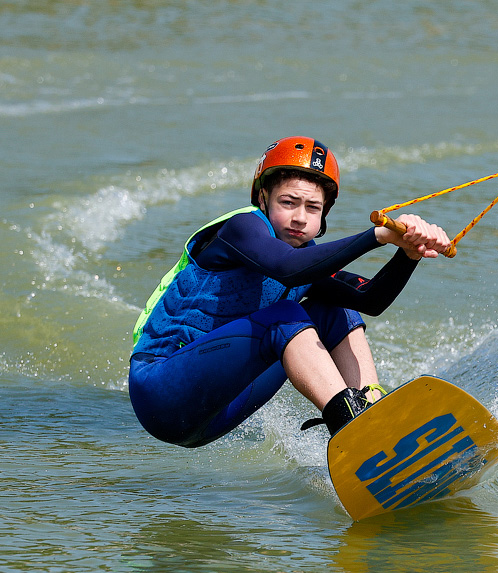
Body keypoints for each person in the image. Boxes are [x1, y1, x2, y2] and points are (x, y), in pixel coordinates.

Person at [128, 136, 450, 447]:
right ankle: (349, 422)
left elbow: (371, 299)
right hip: (161, 392)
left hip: (218, 408)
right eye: (288, 202)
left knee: (333, 308)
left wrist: (409, 254)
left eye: (313, 207)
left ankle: (373, 416)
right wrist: (376, 236)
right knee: (287, 315)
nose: (300, 217)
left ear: (324, 214)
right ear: (264, 197)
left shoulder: (308, 259)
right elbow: (287, 267)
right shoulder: (243, 229)